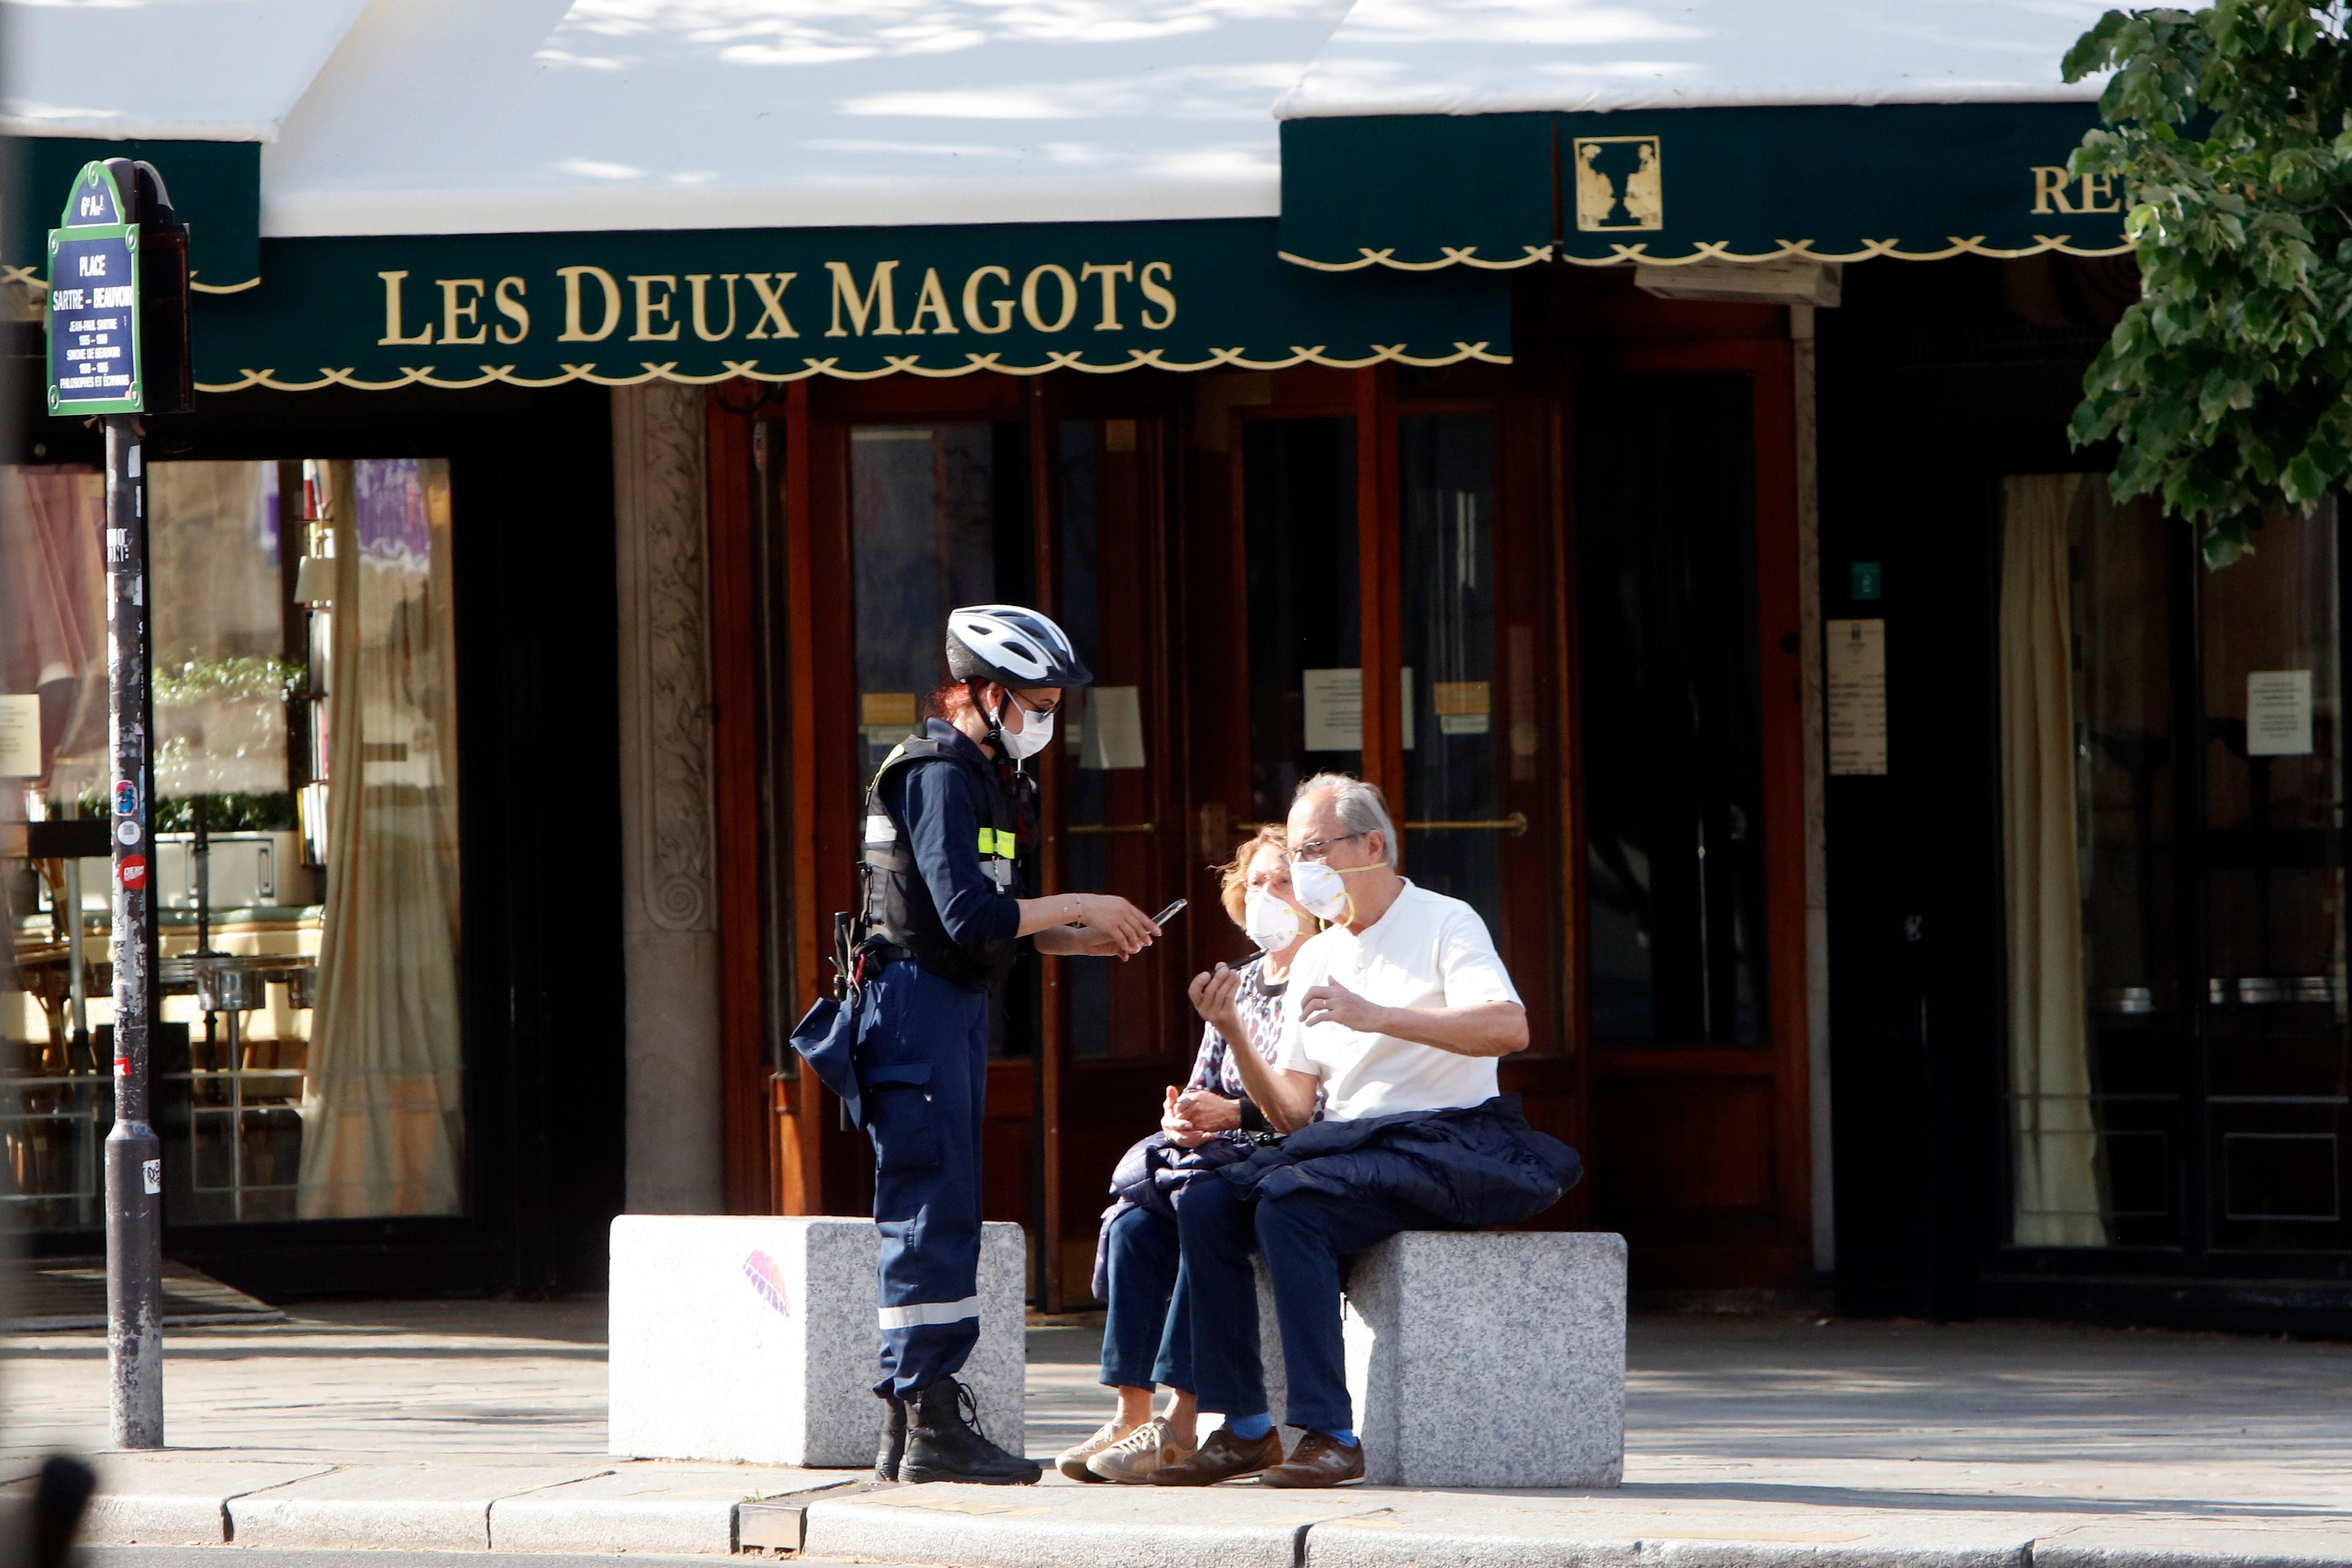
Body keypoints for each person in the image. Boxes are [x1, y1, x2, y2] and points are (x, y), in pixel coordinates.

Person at [1148, 773, 1580, 1488]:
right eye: (1300, 849)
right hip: (1346, 1150)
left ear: (1371, 844)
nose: (1304, 867)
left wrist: (1377, 1014)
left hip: (1445, 1143)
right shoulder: (1318, 953)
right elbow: (1290, 1112)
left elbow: (1509, 1027)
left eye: (1315, 849)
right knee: (1204, 1201)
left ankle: (1329, 1432)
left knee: (1290, 1204)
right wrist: (1231, 1031)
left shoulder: (1446, 919)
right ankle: (1248, 1425)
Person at [853, 605, 1162, 1487]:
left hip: (944, 1003)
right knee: (929, 1211)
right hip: (916, 1012)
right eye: (1033, 701)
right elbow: (969, 916)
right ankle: (929, 1422)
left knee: (941, 1205)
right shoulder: (940, 771)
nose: (1046, 720)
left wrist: (1091, 935)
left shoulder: (987, 776)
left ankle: (911, 1426)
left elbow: (992, 931)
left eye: (1054, 704)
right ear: (982, 695)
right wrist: (1075, 906)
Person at [1057, 827, 1321, 1485]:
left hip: (1285, 1148)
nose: (1268, 895)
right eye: (1257, 882)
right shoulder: (1241, 978)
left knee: (1200, 1204)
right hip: (1221, 1150)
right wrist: (1182, 1117)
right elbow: (1204, 1081)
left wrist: (1233, 1115)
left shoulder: (1329, 973)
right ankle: (1130, 1411)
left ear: (1316, 894)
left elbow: (1315, 1107)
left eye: (1283, 881)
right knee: (1135, 1220)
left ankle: (1181, 1420)